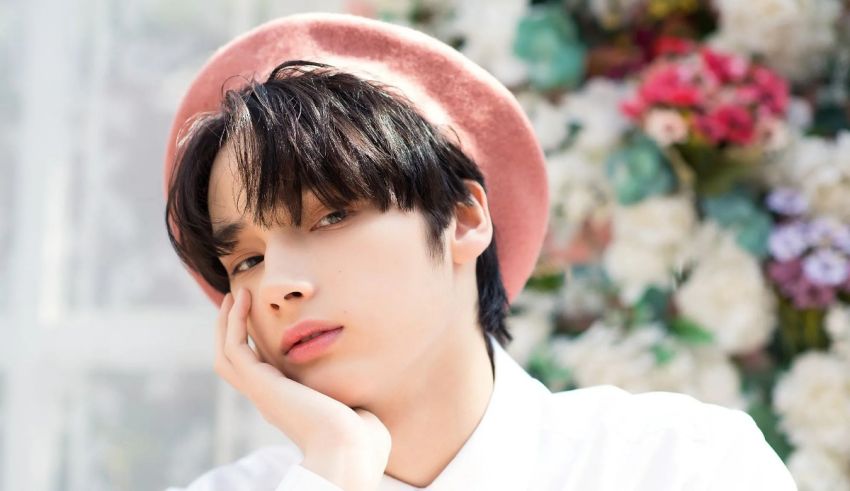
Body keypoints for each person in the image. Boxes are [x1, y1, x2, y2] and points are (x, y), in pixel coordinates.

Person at [161, 12, 797, 491]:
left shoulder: (676, 463)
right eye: (245, 259)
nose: (278, 285)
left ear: (464, 217)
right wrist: (333, 472)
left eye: (329, 215)